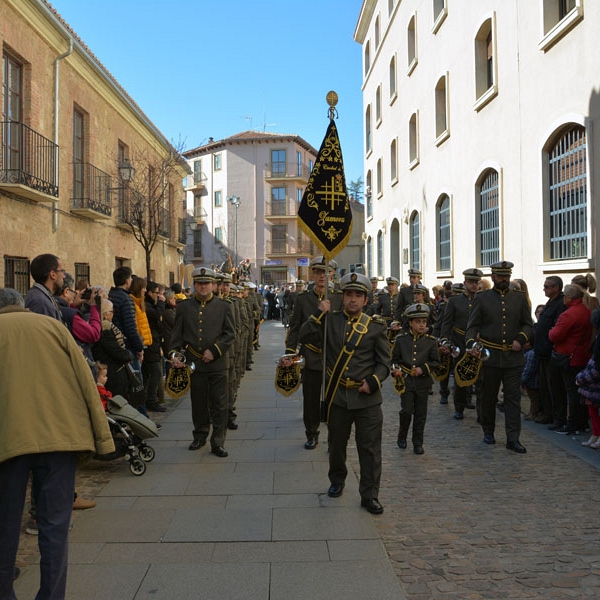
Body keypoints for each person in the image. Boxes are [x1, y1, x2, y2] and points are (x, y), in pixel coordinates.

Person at [0, 288, 114, 600]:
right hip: (60, 437)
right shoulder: (52, 327)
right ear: (21, 305)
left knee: (6, 526)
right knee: (55, 528)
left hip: (9, 441)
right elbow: (86, 378)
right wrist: (102, 438)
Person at [298, 272, 390, 514]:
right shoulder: (329, 320)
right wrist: (319, 313)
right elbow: (303, 335)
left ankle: (370, 495)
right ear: (342, 297)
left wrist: (373, 380)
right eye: (348, 294)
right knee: (337, 445)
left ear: (365, 300)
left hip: (367, 399)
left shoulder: (375, 327)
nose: (352, 300)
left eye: (357, 295)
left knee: (369, 449)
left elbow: (384, 364)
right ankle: (337, 481)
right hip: (338, 397)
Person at [465, 261, 534, 453]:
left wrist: (521, 338)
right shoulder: (482, 298)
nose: (504, 279)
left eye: (507, 276)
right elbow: (472, 327)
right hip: (490, 357)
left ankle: (513, 438)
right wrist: (471, 344)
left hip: (513, 358)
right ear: (493, 277)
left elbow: (528, 325)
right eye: (501, 276)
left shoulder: (519, 299)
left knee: (513, 399)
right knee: (488, 396)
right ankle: (489, 431)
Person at [169, 267, 236, 456]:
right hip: (194, 364)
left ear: (213, 286)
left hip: (218, 365)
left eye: (207, 283)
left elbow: (230, 334)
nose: (203, 287)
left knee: (219, 404)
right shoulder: (184, 307)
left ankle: (218, 441)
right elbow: (176, 338)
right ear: (195, 285)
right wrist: (176, 357)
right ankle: (199, 436)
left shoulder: (224, 306)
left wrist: (214, 351)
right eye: (200, 283)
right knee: (198, 403)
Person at [284, 256, 343, 450]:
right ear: (313, 274)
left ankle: (334, 435)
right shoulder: (303, 299)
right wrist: (290, 352)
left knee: (334, 398)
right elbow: (295, 327)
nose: (322, 276)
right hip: (311, 355)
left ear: (332, 274)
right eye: (318, 272)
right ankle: (312, 433)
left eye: (326, 272)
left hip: (333, 357)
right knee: (310, 399)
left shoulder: (338, 297)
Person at [391, 304, 440, 454]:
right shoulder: (401, 340)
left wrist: (423, 369)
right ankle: (402, 435)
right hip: (406, 380)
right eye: (418, 322)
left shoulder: (430, 341)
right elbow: (394, 360)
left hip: (423, 382)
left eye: (424, 322)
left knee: (420, 413)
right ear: (411, 323)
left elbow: (436, 362)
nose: (421, 325)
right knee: (406, 410)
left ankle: (418, 443)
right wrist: (396, 370)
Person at [548, 284, 592, 435]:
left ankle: (572, 423)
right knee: (577, 391)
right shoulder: (585, 311)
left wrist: (550, 331)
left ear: (569, 297)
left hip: (568, 356)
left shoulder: (569, 314)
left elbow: (555, 335)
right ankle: (580, 422)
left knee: (570, 391)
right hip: (580, 355)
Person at [440, 268, 483, 419]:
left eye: (476, 282)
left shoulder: (482, 299)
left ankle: (481, 412)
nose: (474, 285)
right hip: (460, 342)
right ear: (465, 283)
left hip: (478, 344)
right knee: (460, 377)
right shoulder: (455, 301)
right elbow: (447, 323)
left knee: (480, 380)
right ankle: (459, 408)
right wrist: (444, 340)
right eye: (471, 282)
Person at [533, 276, 568, 428]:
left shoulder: (560, 304)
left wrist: (548, 345)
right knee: (544, 386)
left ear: (556, 288)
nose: (544, 289)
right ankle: (548, 413)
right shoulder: (550, 302)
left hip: (549, 353)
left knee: (554, 387)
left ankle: (557, 417)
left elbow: (556, 328)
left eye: (547, 287)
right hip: (542, 352)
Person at [143, 281, 166, 413]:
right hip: (150, 342)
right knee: (154, 372)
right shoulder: (147, 305)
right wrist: (162, 303)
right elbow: (156, 314)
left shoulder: (151, 303)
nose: (159, 296)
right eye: (157, 293)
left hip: (154, 341)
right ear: (150, 293)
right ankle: (151, 400)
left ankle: (149, 398)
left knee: (150, 373)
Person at [24, 253, 65, 320]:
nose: (64, 276)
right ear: (53, 274)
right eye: (62, 271)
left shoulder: (41, 296)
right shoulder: (40, 302)